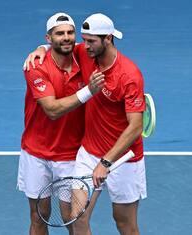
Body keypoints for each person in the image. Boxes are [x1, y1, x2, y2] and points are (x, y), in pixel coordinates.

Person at [25, 13, 147, 235]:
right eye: (84, 39)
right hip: (89, 153)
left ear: (107, 39)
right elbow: (60, 44)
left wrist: (106, 162)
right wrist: (41, 48)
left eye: (90, 41)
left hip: (122, 158)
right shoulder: (85, 53)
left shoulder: (129, 75)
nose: (83, 45)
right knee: (77, 218)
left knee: (124, 223)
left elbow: (136, 126)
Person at [17, 12, 105, 235]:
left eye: (70, 33)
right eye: (59, 34)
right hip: (36, 154)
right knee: (39, 216)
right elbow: (52, 110)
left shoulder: (82, 55)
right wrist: (88, 91)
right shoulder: (36, 66)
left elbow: (105, 47)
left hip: (71, 156)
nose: (66, 37)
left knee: (72, 218)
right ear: (49, 38)